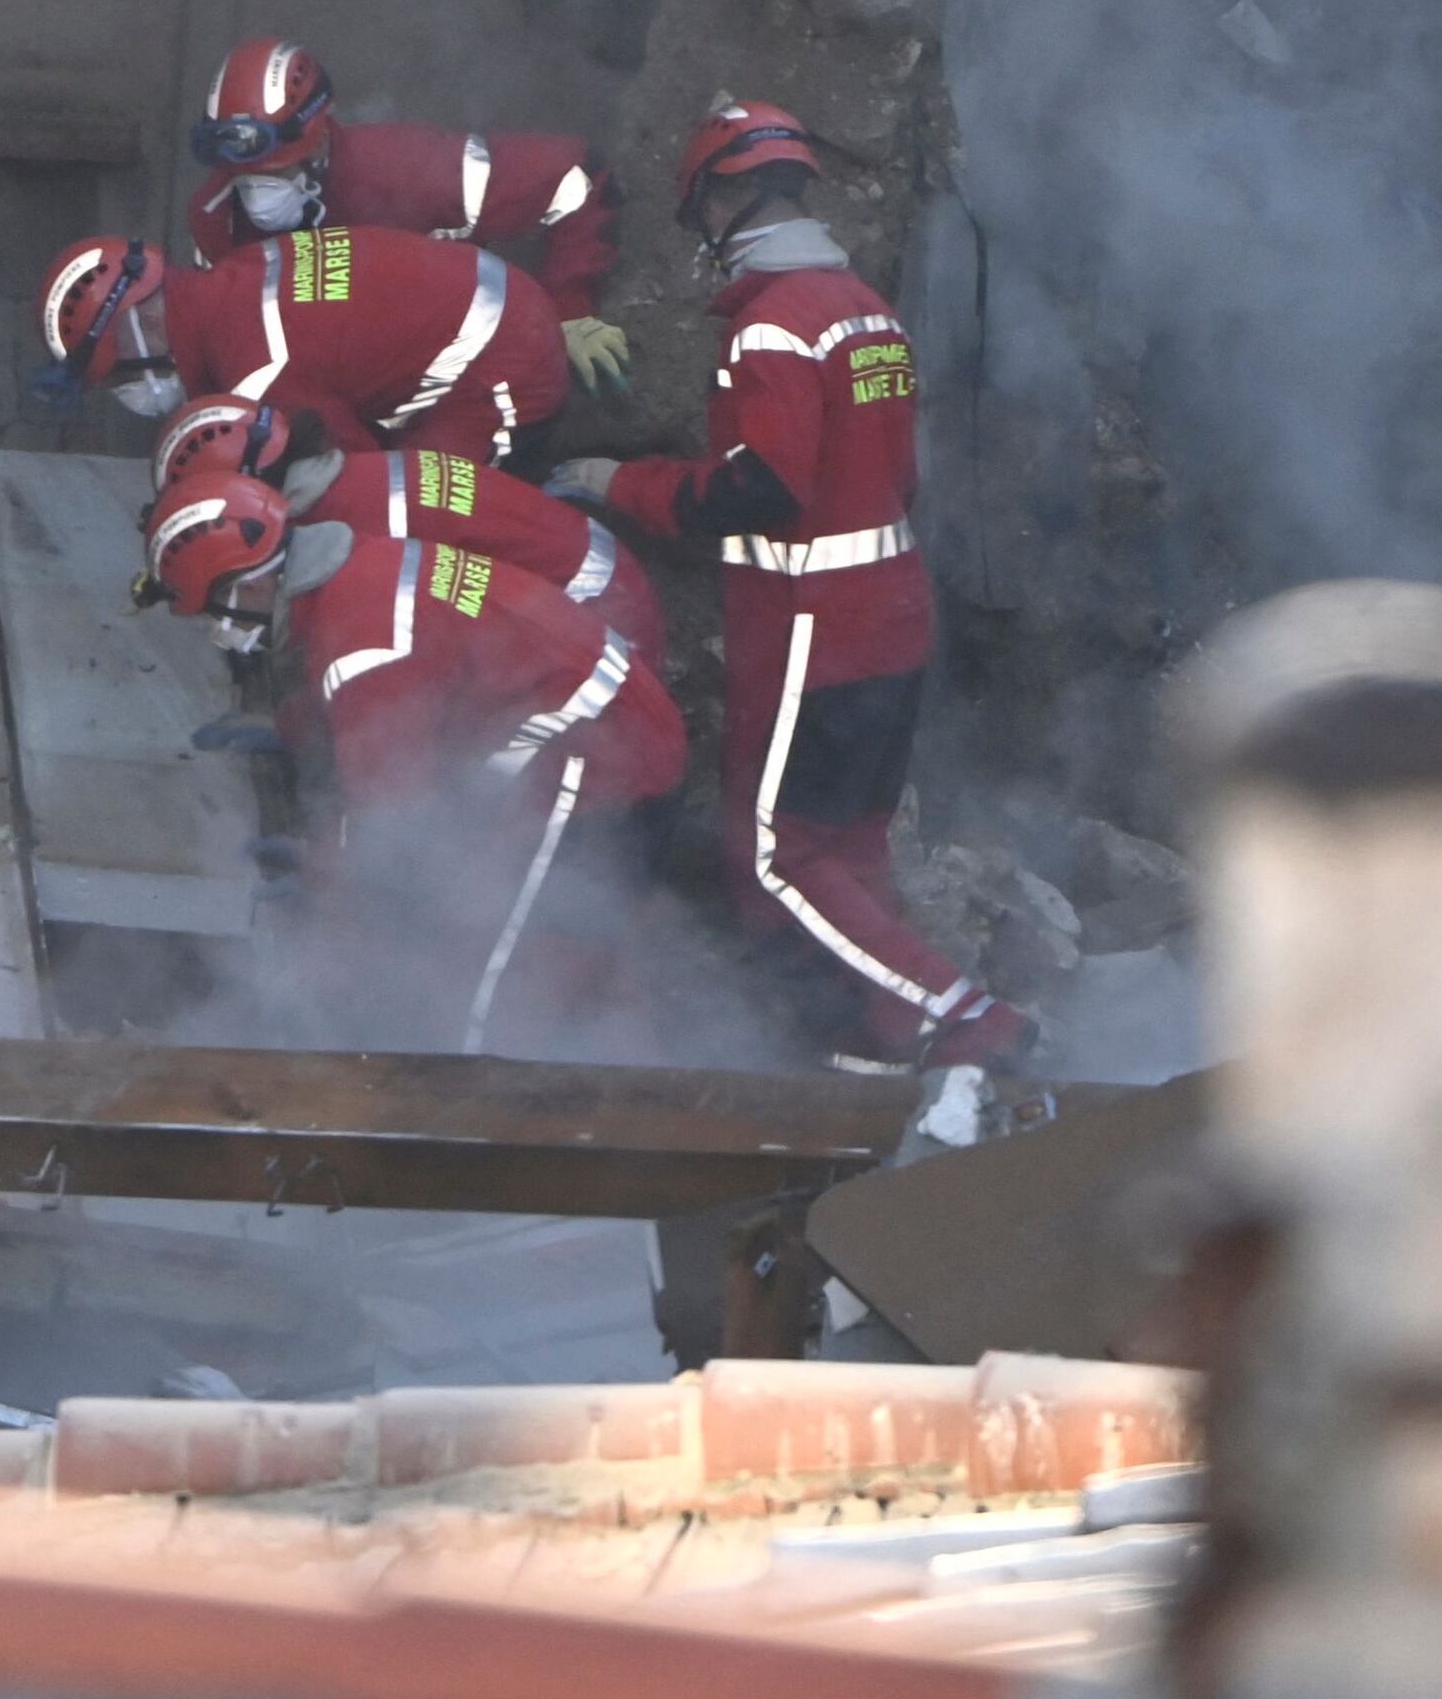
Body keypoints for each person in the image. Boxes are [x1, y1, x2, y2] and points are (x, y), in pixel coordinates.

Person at [553, 98, 1027, 1070]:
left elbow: (755, 489)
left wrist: (615, 483)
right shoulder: (869, 317)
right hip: (890, 613)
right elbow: (896, 473)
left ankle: (965, 1019)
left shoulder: (772, 330)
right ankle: (868, 1032)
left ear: (714, 207)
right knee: (847, 844)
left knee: (778, 852)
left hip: (817, 627)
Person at [142, 471, 680, 1052]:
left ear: (246, 587)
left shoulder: (366, 641)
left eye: (211, 613)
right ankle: (644, 1072)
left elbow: (392, 822)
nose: (218, 632)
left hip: (596, 758)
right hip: (593, 728)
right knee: (572, 942)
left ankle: (485, 1119)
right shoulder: (360, 570)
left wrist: (325, 891)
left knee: (499, 976)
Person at [183, 36, 630, 392]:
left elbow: (573, 175)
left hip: (451, 374)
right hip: (328, 394)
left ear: (317, 141)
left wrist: (569, 308)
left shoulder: (403, 172)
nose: (257, 194)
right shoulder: (217, 219)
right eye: (240, 175)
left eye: (277, 172)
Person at [32, 224, 572, 466]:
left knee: (407, 518)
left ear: (139, 328)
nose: (131, 394)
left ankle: (566, 509)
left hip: (505, 373)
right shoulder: (234, 278)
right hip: (505, 303)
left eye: (122, 374)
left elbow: (354, 473)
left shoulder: (254, 372)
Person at [153, 392, 660, 646]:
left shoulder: (356, 521)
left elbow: (409, 659)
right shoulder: (348, 483)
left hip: (601, 625)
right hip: (595, 590)